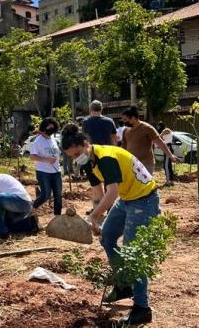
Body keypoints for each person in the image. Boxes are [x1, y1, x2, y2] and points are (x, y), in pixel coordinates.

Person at [60, 123, 158, 325]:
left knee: (133, 252)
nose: (75, 158)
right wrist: (98, 220)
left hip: (144, 198)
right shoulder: (88, 162)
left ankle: (142, 308)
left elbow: (112, 193)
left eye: (77, 152)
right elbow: (100, 194)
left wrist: (93, 216)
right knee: (107, 237)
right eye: (71, 156)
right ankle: (124, 285)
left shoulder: (105, 158)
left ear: (86, 144)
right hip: (126, 199)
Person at [121, 106, 179, 174]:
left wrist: (170, 155)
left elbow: (160, 142)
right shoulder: (125, 131)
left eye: (125, 120)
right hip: (132, 164)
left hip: (146, 164)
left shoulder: (147, 128)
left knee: (146, 184)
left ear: (133, 118)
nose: (124, 122)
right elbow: (124, 148)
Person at [29, 117, 63, 216]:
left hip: (56, 171)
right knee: (45, 195)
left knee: (58, 196)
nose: (50, 130)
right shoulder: (38, 141)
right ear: (44, 127)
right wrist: (47, 160)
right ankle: (32, 207)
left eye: (52, 128)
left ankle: (57, 217)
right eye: (48, 127)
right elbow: (32, 156)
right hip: (43, 172)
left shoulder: (53, 139)